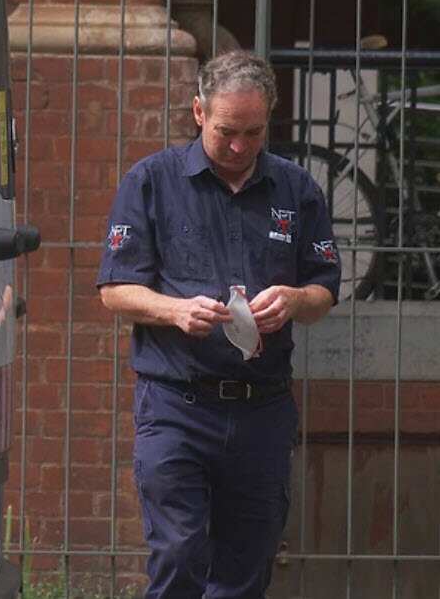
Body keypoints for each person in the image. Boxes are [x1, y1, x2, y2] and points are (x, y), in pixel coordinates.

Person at [96, 50, 341, 599]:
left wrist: (296, 299)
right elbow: (114, 290)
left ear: (268, 120)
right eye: (227, 131)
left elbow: (325, 291)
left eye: (253, 133)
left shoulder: (297, 189)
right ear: (199, 112)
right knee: (180, 552)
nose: (239, 147)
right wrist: (174, 310)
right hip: (176, 404)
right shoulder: (152, 181)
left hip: (263, 408)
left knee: (246, 565)